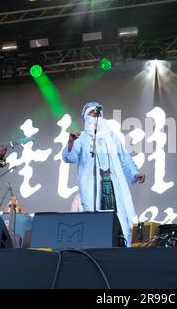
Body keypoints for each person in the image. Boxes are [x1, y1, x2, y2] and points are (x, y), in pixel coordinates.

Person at [62, 102, 145, 247]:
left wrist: (135, 174)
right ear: (86, 117)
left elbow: (124, 159)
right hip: (92, 185)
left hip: (112, 183)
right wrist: (70, 142)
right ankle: (94, 249)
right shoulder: (81, 138)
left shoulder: (112, 137)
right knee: (95, 216)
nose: (96, 114)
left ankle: (122, 246)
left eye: (98, 112)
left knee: (118, 214)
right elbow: (70, 157)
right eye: (92, 112)